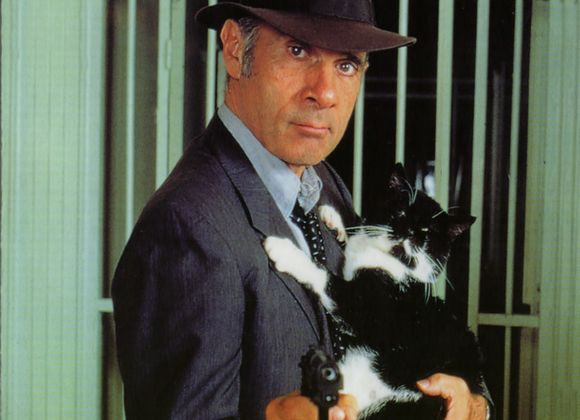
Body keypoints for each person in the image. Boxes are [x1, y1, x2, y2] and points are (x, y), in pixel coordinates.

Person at [112, 1, 493, 419]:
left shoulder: (321, 182)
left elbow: (387, 327)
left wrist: (470, 401)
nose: (324, 92)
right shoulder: (188, 226)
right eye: (297, 51)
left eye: (346, 64)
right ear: (235, 49)